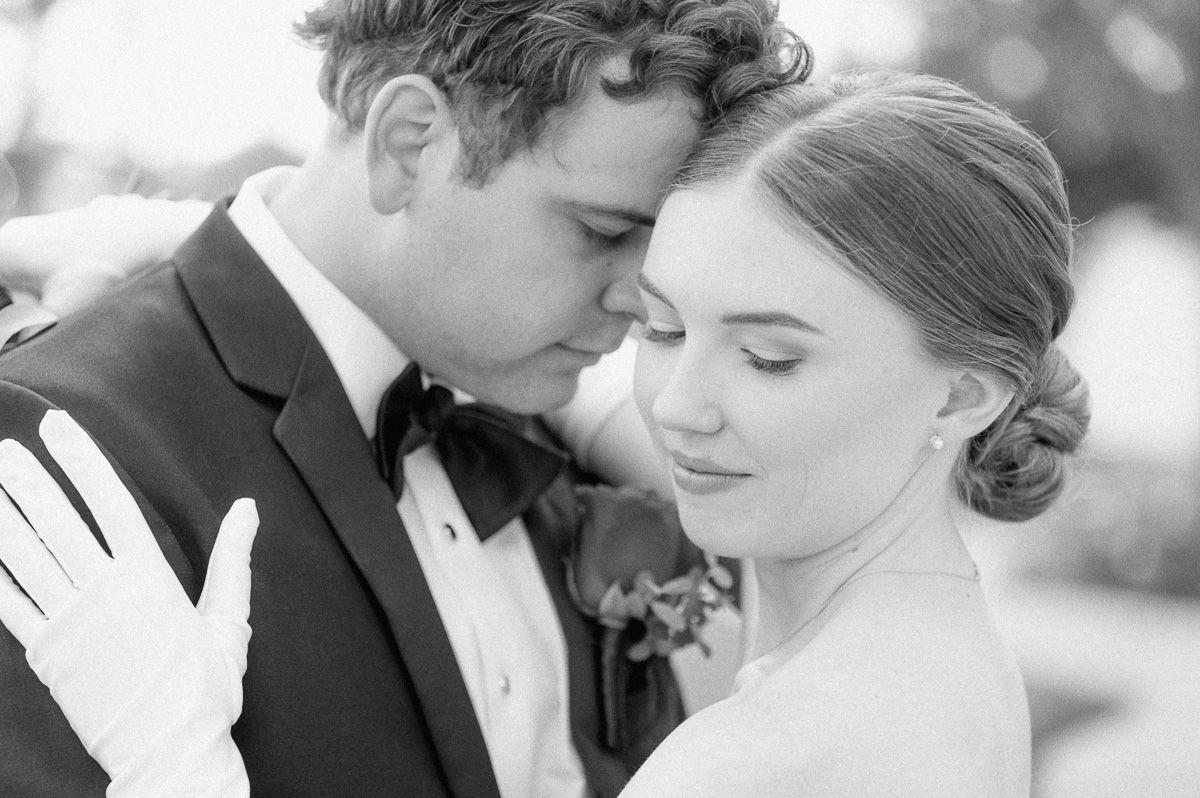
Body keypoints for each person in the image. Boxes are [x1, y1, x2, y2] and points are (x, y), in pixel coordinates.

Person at [2, 69, 1089, 795]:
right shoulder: (932, 646)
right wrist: (224, 244)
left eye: (768, 355)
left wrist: (175, 768)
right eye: (664, 321)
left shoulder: (760, 760)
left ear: (961, 397)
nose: (670, 400)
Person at [0, 2, 805, 796]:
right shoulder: (63, 443)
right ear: (409, 143)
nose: (643, 299)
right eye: (600, 230)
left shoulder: (566, 406)